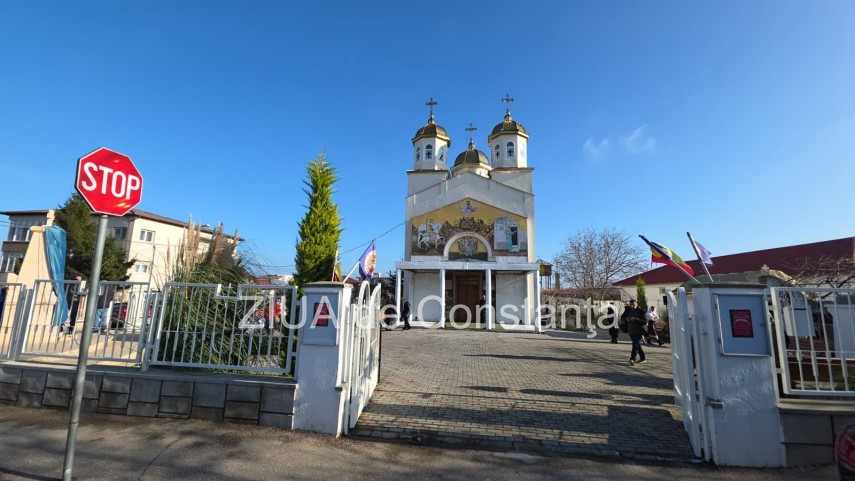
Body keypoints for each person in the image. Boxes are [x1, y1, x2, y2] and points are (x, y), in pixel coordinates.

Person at [621, 299, 647, 365]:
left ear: (637, 304)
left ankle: (632, 359)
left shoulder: (641, 311)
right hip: (631, 331)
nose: (632, 306)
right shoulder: (628, 310)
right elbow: (622, 317)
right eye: (631, 305)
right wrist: (626, 319)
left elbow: (645, 321)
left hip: (639, 331)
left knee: (635, 345)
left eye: (634, 305)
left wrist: (635, 319)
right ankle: (643, 358)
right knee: (637, 345)